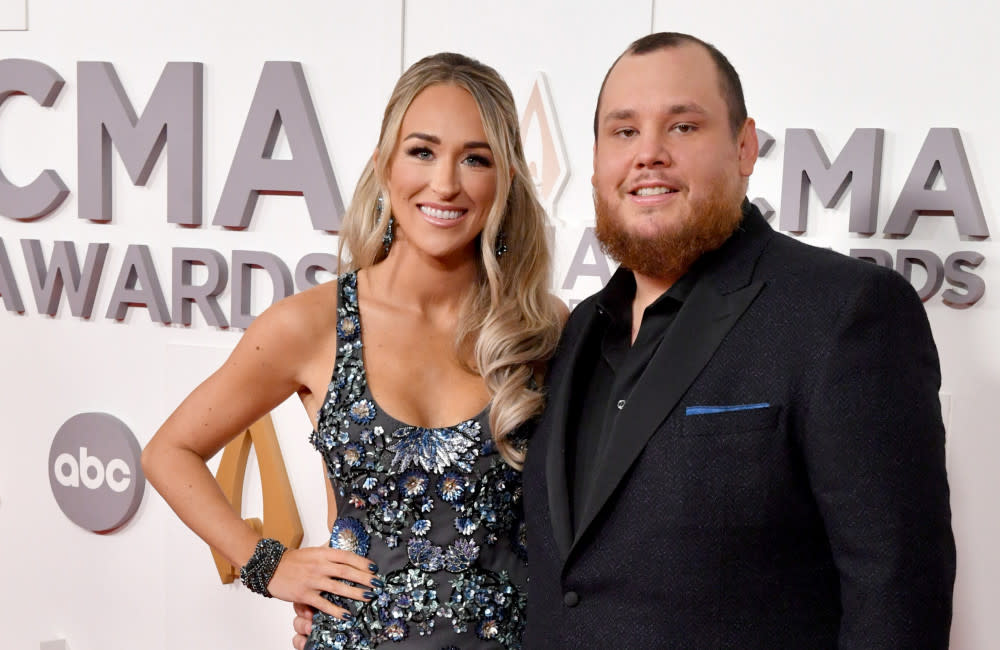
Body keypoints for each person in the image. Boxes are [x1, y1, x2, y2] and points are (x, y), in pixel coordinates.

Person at [519, 33, 956, 648]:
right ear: (595, 160)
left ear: (744, 146)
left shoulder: (845, 311)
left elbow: (898, 594)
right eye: (624, 132)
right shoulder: (572, 332)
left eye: (684, 127)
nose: (649, 154)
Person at [143, 52, 565, 650]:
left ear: (507, 180)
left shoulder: (539, 327)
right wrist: (270, 565)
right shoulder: (311, 324)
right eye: (422, 151)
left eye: (475, 159)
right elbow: (170, 451)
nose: (444, 183)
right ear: (384, 165)